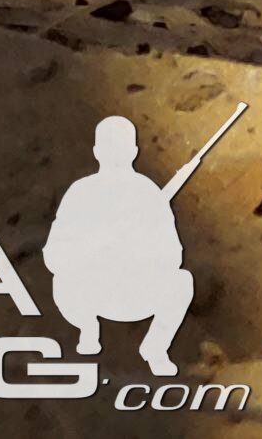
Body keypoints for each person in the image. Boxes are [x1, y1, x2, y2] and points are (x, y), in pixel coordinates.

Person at [46, 114, 199, 376]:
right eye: (109, 148)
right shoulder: (81, 192)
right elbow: (54, 254)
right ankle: (88, 330)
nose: (115, 155)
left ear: (133, 152)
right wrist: (93, 250)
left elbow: (173, 255)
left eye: (120, 148)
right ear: (97, 152)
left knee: (181, 282)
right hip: (90, 292)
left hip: (136, 291)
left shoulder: (148, 193)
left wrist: (138, 251)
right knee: (62, 281)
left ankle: (155, 347)